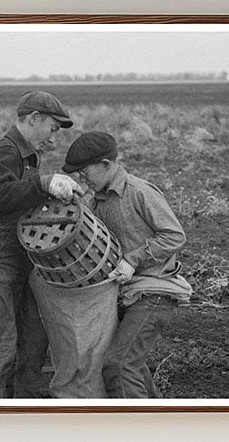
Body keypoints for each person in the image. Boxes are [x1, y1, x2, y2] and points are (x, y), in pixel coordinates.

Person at [0, 90, 80, 397]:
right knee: (2, 346)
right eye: (52, 129)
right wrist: (41, 183)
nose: (52, 139)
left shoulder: (27, 155)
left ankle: (21, 410)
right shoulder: (6, 151)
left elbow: (19, 198)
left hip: (17, 260)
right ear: (33, 119)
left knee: (31, 342)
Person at [62, 131, 191, 398]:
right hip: (129, 294)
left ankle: (133, 422)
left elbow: (174, 235)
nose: (83, 180)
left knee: (119, 365)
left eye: (85, 173)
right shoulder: (96, 201)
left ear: (106, 164)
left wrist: (133, 259)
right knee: (132, 365)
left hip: (155, 292)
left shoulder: (138, 191)